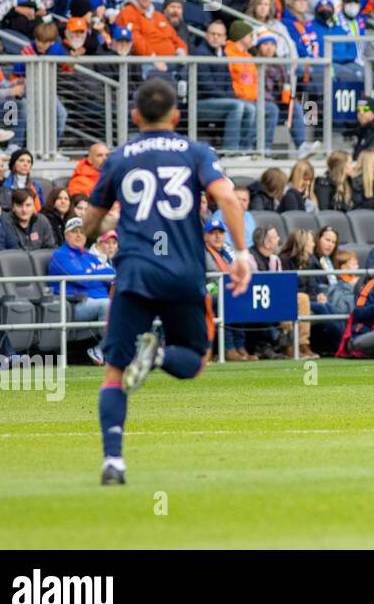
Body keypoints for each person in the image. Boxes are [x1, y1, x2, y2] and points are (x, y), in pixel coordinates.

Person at [84, 78, 251, 486]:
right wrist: (242, 254)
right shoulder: (196, 152)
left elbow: (92, 216)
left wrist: (95, 230)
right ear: (176, 116)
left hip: (135, 272)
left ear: (135, 115)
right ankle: (157, 358)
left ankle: (114, 462)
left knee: (113, 373)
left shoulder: (120, 158)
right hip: (183, 271)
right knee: (194, 362)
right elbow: (228, 198)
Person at [47, 216, 114, 363]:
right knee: (107, 304)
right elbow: (80, 278)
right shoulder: (60, 255)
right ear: (66, 235)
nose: (79, 235)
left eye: (82, 232)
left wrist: (93, 274)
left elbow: (111, 274)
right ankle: (105, 351)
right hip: (75, 304)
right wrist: (97, 274)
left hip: (97, 301)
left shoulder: (90, 256)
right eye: (74, 231)